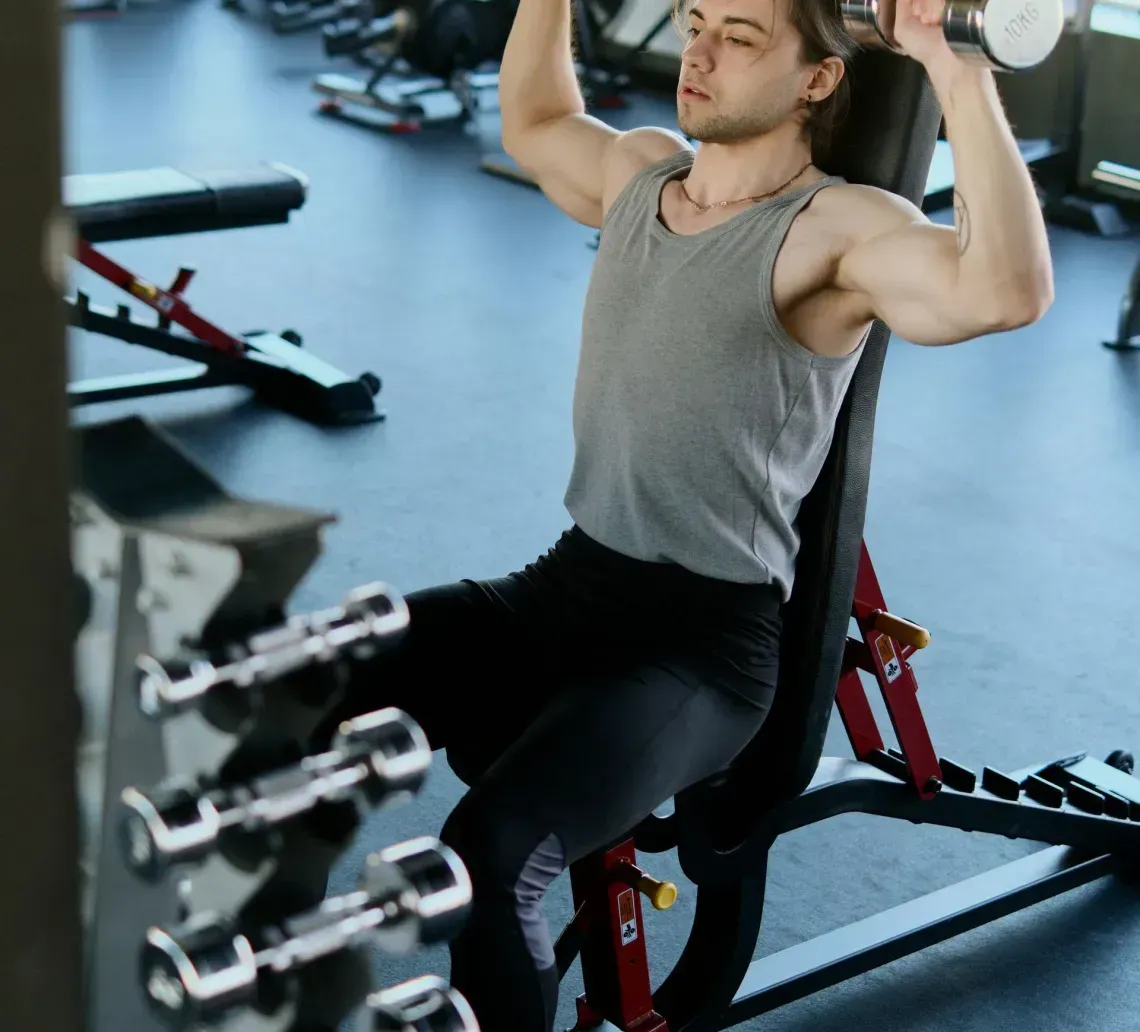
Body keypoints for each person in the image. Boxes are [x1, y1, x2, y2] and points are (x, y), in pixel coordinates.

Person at [325, 0, 1055, 1027]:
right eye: (695, 20)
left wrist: (953, 64)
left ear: (818, 80)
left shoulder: (834, 229)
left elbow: (1004, 292)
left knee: (489, 856)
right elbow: (535, 122)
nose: (698, 53)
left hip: (697, 652)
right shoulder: (642, 174)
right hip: (566, 586)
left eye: (740, 38)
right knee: (301, 690)